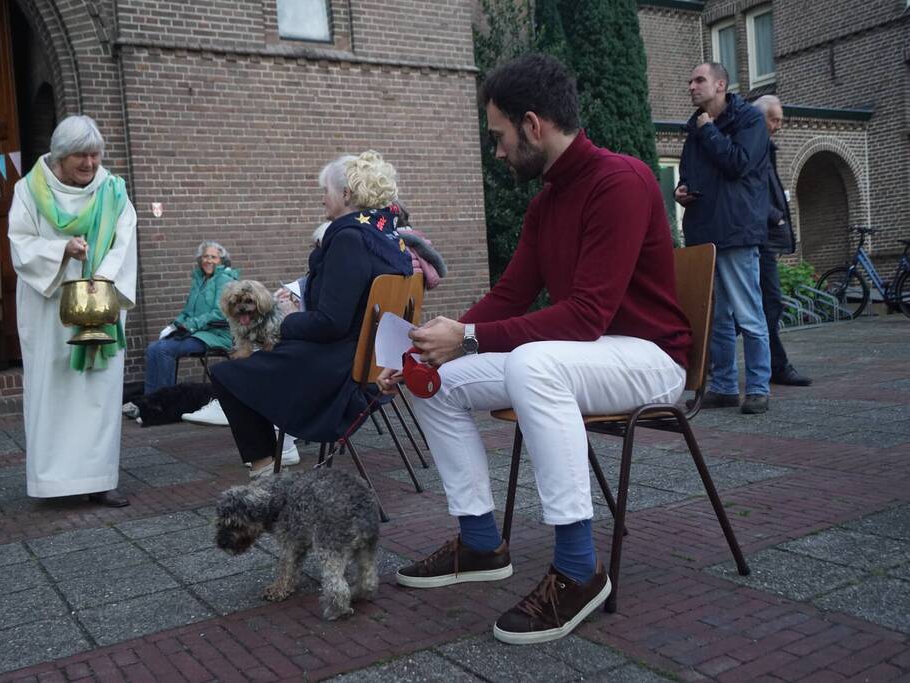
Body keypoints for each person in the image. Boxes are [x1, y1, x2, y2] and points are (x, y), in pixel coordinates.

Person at [376, 54, 692, 645]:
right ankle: (479, 542)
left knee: (533, 363)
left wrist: (468, 338)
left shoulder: (621, 182)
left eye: (499, 136)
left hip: (652, 358)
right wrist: (428, 352)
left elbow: (586, 315)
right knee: (435, 383)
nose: (497, 152)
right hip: (588, 355)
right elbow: (512, 294)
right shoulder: (546, 203)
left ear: (532, 125)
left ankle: (578, 569)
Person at [209, 151, 413, 479]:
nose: (322, 199)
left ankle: (264, 472)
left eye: (325, 191)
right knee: (252, 367)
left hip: (340, 372)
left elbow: (331, 323)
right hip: (376, 363)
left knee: (228, 375)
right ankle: (271, 461)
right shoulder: (389, 238)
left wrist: (286, 319)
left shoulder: (348, 239)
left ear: (346, 194)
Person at [8, 115, 137, 507]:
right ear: (60, 156)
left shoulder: (113, 191)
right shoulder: (29, 190)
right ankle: (53, 482)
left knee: (98, 392)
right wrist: (60, 250)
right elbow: (20, 243)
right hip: (48, 308)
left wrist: (100, 280)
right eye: (81, 156)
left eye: (95, 155)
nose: (90, 163)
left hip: (100, 303)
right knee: (54, 391)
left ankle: (100, 479)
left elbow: (124, 241)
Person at [675, 62, 772, 414]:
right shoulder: (696, 128)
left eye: (699, 80)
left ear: (720, 85)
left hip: (735, 231)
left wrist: (708, 131)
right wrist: (681, 190)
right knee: (715, 316)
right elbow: (689, 173)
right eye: (690, 80)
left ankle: (758, 387)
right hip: (703, 233)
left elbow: (738, 163)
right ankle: (724, 387)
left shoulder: (749, 120)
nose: (691, 86)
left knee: (748, 313)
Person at [752, 95, 812, 387]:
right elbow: (750, 187)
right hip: (757, 236)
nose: (778, 126)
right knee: (767, 302)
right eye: (774, 119)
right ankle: (776, 366)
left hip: (761, 236)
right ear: (759, 118)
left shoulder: (764, 146)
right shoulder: (753, 146)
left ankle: (774, 365)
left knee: (759, 304)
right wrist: (774, 216)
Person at [135, 240, 238, 398]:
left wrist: (190, 325)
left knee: (164, 350)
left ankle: (164, 400)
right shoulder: (200, 280)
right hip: (197, 332)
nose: (208, 260)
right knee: (153, 348)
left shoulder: (225, 280)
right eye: (205, 256)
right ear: (200, 259)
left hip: (215, 334)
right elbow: (187, 312)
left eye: (213, 257)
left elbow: (219, 313)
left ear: (221, 261)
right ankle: (149, 399)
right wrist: (174, 325)